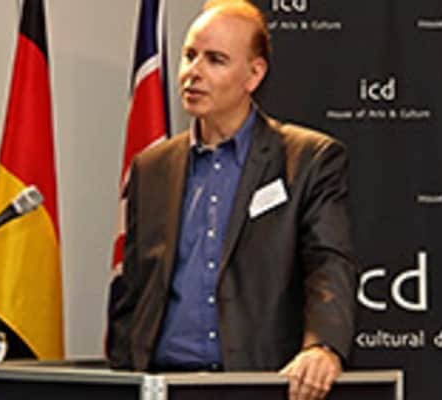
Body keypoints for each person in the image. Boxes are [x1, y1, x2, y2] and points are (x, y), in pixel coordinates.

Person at [104, 1, 354, 399]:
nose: (193, 72)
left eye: (215, 60)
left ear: (254, 74)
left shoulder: (307, 159)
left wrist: (322, 346)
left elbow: (328, 263)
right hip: (162, 385)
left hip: (256, 384)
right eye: (190, 55)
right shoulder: (151, 167)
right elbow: (133, 289)